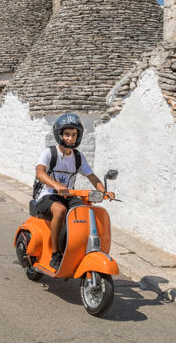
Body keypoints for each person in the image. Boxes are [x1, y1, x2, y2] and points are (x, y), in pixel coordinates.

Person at [34, 113, 115, 270]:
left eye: (73, 135)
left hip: (68, 195)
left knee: (83, 211)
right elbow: (40, 173)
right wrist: (56, 185)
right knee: (60, 210)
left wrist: (104, 191)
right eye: (66, 134)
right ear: (60, 135)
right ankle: (56, 254)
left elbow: (91, 176)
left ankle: (77, 248)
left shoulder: (78, 157)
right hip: (47, 195)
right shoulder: (49, 153)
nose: (70, 138)